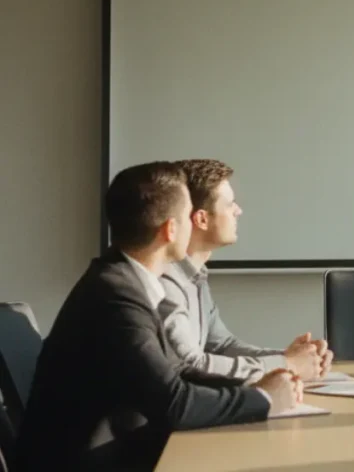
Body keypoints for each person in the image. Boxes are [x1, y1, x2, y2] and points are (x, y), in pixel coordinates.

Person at [16, 162, 302, 471]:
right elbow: (174, 405)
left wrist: (255, 385)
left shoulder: (122, 279)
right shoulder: (116, 298)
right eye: (188, 214)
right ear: (170, 229)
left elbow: (176, 372)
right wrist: (264, 400)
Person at [158, 159, 332, 382]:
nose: (238, 211)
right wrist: (287, 365)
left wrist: (296, 359)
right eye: (230, 204)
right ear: (202, 219)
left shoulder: (195, 275)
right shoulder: (166, 280)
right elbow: (191, 365)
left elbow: (222, 346)